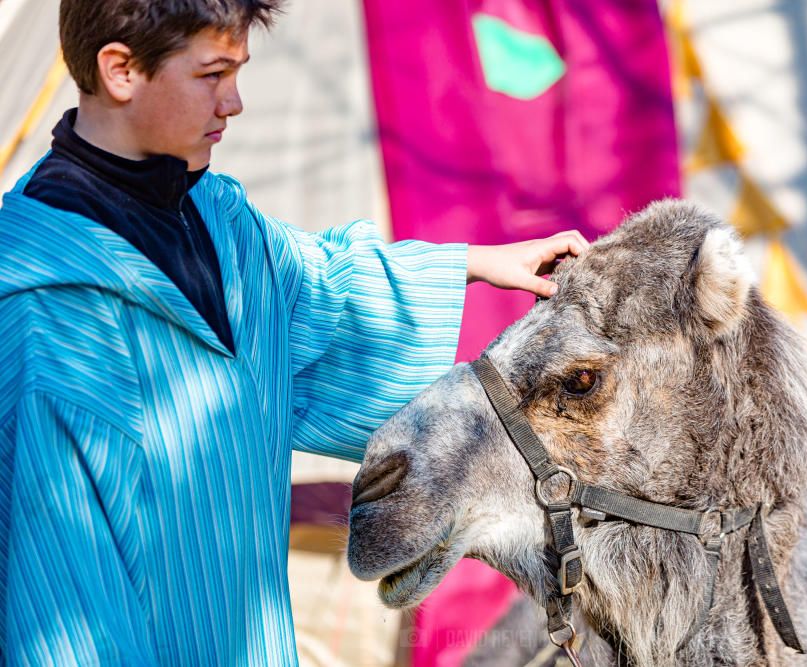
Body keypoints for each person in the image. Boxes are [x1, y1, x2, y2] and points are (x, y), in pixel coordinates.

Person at [0, 1, 587, 663]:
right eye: (213, 75)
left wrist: (480, 264)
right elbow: (57, 609)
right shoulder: (39, 315)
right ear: (121, 70)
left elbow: (321, 287)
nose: (235, 102)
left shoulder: (218, 220)